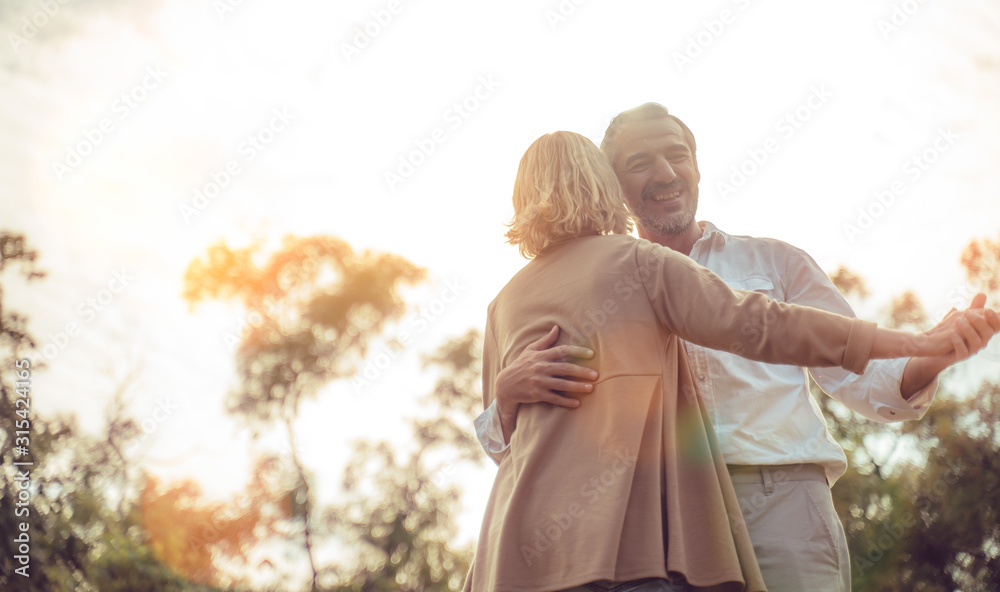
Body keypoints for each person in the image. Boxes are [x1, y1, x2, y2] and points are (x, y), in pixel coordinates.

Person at [474, 104, 1000, 592]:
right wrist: (506, 393)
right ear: (611, 185)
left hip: (780, 503)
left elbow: (867, 383)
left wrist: (929, 353)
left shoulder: (776, 264)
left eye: (677, 155)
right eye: (640, 163)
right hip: (660, 520)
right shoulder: (576, 288)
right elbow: (517, 441)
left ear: (698, 168)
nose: (664, 173)